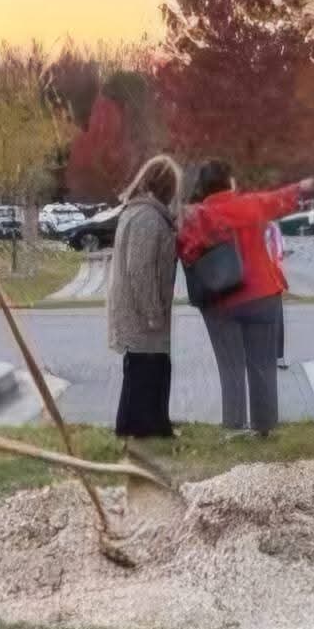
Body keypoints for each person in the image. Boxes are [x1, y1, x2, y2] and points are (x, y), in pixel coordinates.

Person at [178, 160, 314, 437]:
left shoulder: (195, 218)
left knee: (230, 367)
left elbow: (185, 250)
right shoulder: (250, 204)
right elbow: (281, 199)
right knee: (263, 364)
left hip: (219, 302)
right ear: (230, 182)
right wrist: (303, 186)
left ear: (202, 188)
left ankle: (235, 427)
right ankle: (264, 427)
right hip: (261, 296)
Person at [107, 155, 184, 439]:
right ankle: (141, 428)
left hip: (138, 308)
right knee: (146, 368)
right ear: (166, 186)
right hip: (141, 311)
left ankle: (148, 425)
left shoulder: (141, 213)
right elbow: (139, 269)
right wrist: (153, 311)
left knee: (150, 367)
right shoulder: (147, 218)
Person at [264, 219, 289, 369]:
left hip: (270, 279)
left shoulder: (272, 228)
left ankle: (277, 356)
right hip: (268, 278)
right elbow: (280, 252)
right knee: (274, 318)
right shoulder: (271, 227)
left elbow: (280, 252)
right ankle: (276, 356)